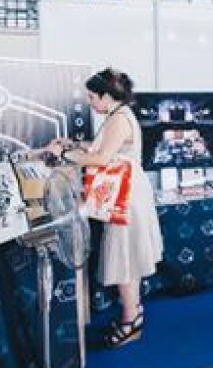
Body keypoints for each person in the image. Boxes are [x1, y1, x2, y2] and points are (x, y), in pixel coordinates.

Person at [44, 68, 163, 348]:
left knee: (125, 258)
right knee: (128, 256)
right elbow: (103, 148)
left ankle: (131, 320)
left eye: (92, 97)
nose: (90, 102)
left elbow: (101, 158)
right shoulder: (118, 116)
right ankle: (133, 312)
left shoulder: (118, 119)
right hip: (126, 194)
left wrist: (64, 153)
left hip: (126, 198)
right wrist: (74, 144)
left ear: (106, 96)